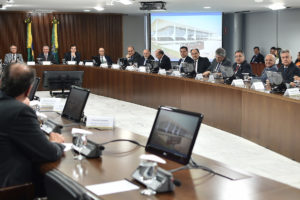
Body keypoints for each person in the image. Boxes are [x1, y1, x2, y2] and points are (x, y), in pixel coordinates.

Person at [0, 63, 64, 196]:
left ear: (1, 81)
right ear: (29, 90)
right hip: (10, 189)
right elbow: (49, 153)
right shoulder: (20, 111)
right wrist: (56, 143)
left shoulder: (13, 108)